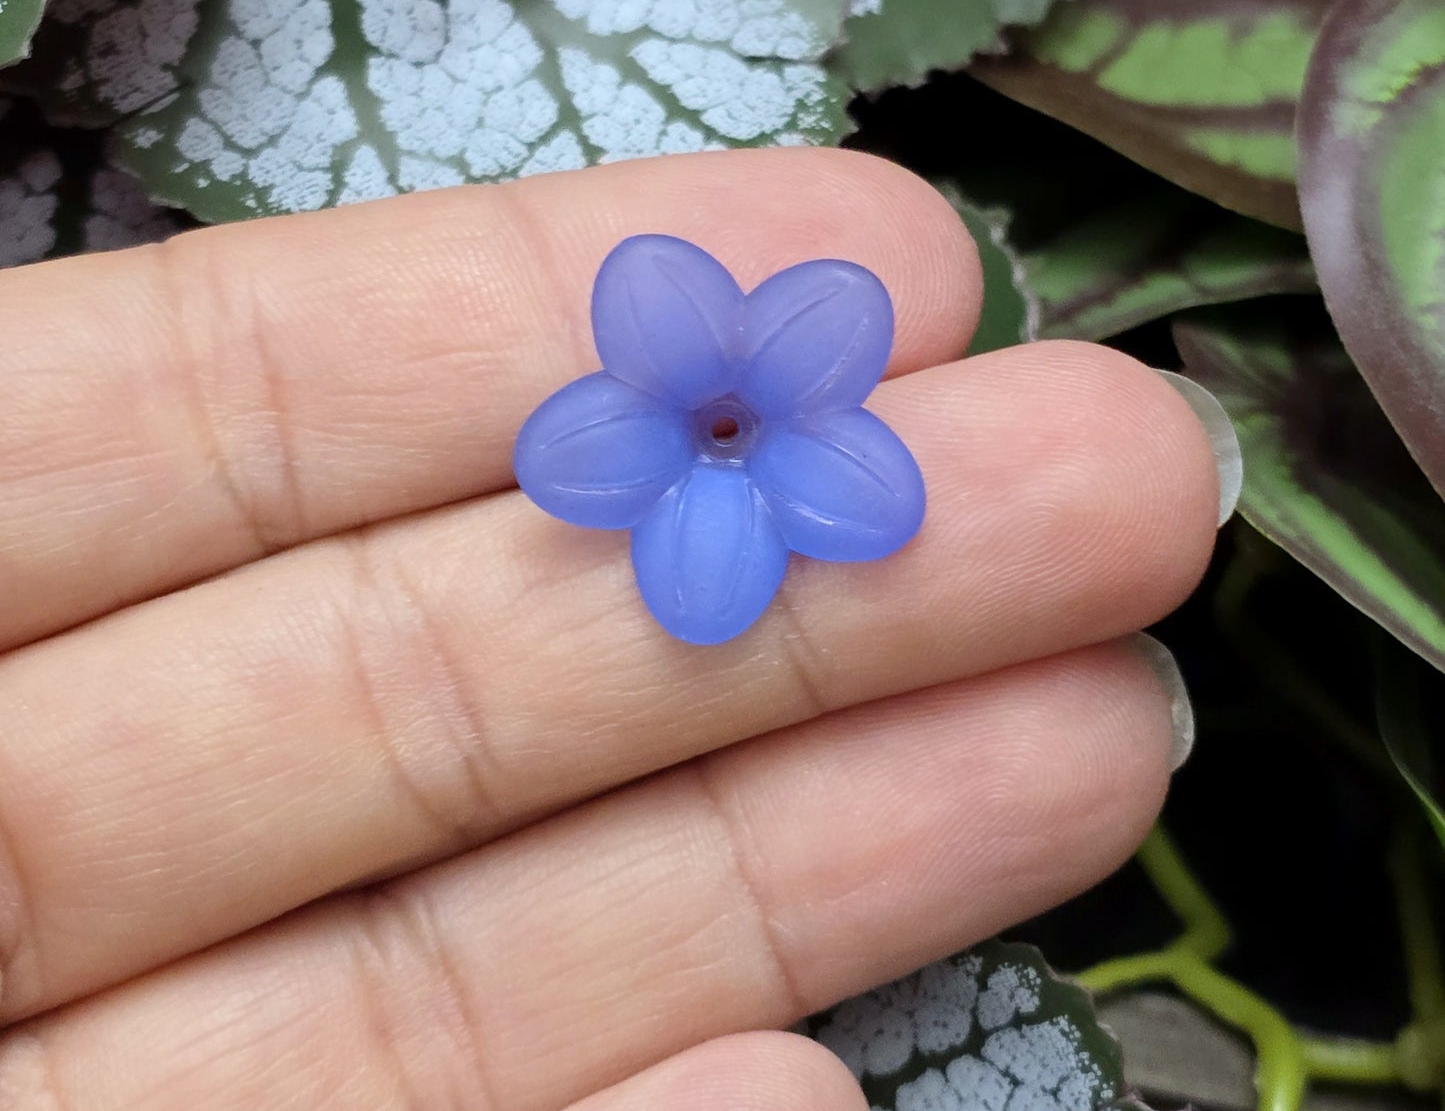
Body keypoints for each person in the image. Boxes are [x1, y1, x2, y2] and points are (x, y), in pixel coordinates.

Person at [0, 148, 1221, 1111]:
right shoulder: (637, 403)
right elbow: (606, 461)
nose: (729, 428)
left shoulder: (813, 387)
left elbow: (862, 461)